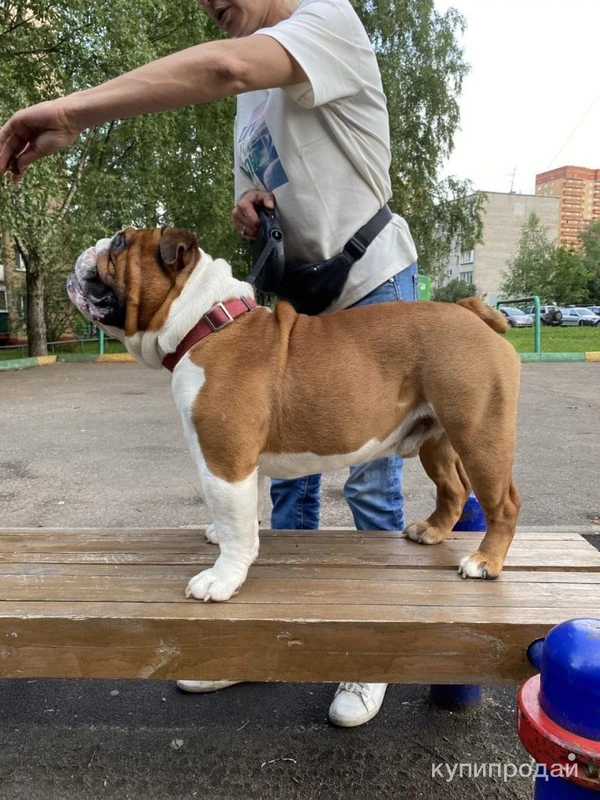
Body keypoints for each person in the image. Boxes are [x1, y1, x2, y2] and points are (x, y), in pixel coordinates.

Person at [0, 0, 418, 727]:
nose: (207, 4)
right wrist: (251, 205)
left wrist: (73, 111)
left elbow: (223, 66)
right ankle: (265, 646)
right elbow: (253, 186)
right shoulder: (252, 99)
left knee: (372, 488)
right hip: (296, 292)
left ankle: (365, 653)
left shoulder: (328, 20)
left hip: (365, 286)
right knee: (284, 493)